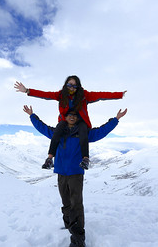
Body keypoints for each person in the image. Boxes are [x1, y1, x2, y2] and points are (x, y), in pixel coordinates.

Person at [23, 104, 127, 247]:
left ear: (78, 118)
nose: (72, 117)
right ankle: (68, 225)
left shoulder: (83, 133)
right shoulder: (58, 133)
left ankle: (78, 239)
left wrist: (115, 119)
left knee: (76, 205)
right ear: (65, 118)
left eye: (75, 115)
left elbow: (101, 131)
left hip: (76, 173)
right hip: (61, 172)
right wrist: (32, 116)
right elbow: (42, 127)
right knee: (66, 202)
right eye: (69, 115)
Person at [15, 76, 127, 170]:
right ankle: (50, 158)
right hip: (64, 120)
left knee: (83, 132)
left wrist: (119, 95)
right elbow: (45, 95)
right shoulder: (61, 95)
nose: (72, 88)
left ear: (78, 87)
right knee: (57, 132)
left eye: (74, 86)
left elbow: (102, 95)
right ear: (65, 85)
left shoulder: (84, 95)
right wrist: (27, 91)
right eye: (69, 85)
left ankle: (85, 159)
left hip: (81, 122)